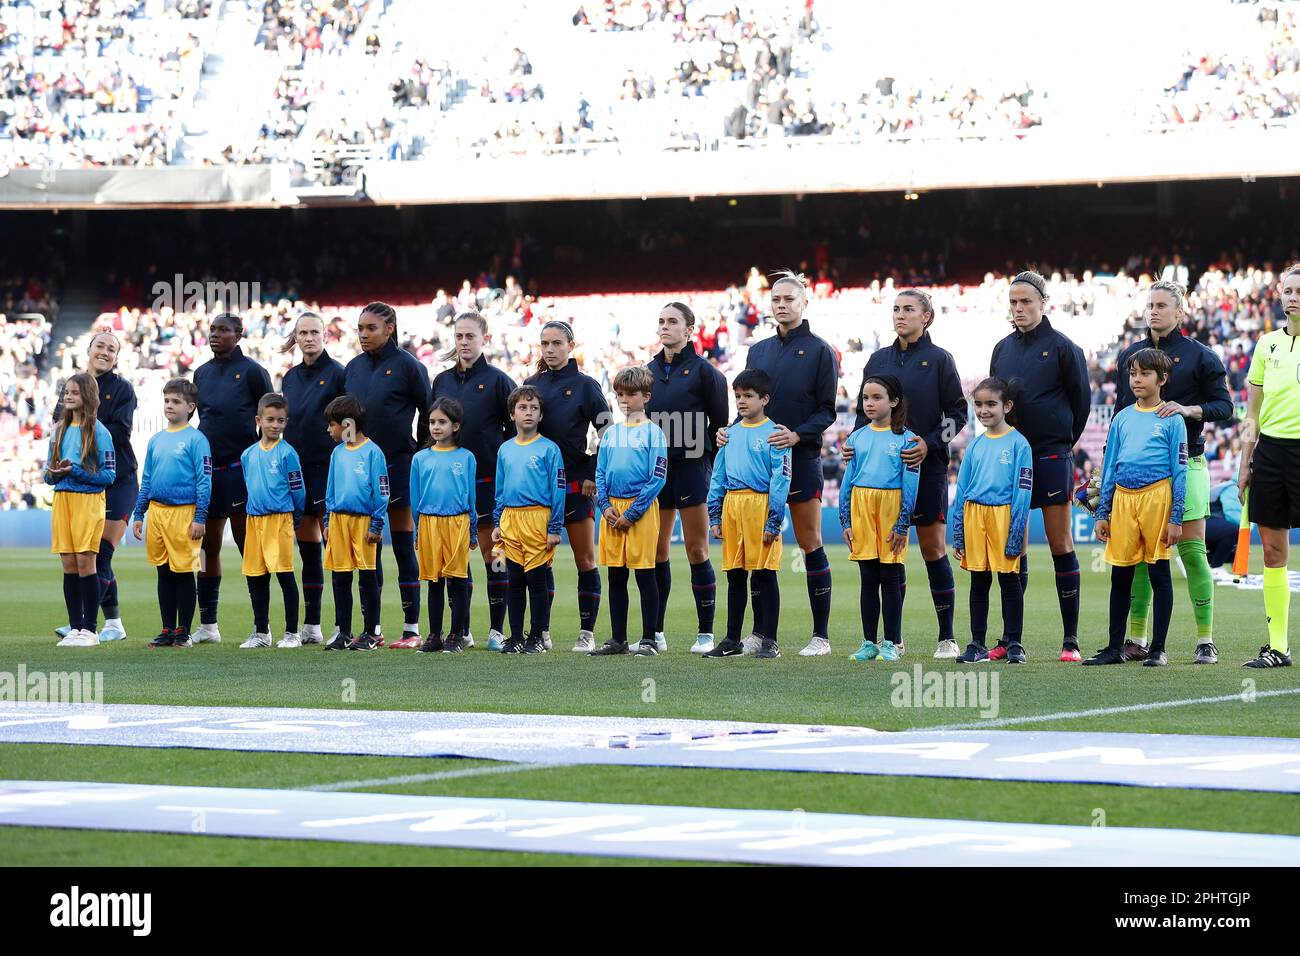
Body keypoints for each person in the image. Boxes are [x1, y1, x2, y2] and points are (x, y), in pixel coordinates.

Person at [716, 271, 838, 656]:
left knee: (808, 543)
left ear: (804, 303)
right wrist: (730, 430)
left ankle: (820, 635)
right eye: (776, 299)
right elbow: (748, 403)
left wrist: (797, 435)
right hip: (756, 464)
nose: (781, 305)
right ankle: (761, 634)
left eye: (788, 299)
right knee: (756, 549)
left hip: (799, 459)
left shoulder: (820, 350)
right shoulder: (759, 350)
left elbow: (827, 411)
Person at [1114, 281, 1232, 664]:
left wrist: (1187, 409)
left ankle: (1205, 639)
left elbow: (1224, 407)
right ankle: (1136, 638)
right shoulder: (1131, 355)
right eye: (1150, 304)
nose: (1154, 311)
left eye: (1163, 305)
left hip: (1189, 463)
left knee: (1193, 552)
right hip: (1139, 476)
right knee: (1144, 558)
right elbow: (1120, 413)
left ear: (1180, 313)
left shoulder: (1201, 356)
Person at [848, 290, 968, 659]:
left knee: (933, 550)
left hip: (926, 467)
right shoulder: (878, 359)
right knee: (887, 555)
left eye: (908, 310)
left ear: (926, 317)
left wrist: (929, 444)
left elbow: (958, 414)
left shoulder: (940, 360)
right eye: (896, 309)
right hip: (879, 477)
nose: (900, 315)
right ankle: (890, 640)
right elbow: (860, 410)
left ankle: (946, 637)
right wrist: (854, 442)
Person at [990, 270, 1090, 662]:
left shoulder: (1064, 348)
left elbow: (1080, 405)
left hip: (1050, 455)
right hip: (1011, 457)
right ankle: (1011, 639)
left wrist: (1060, 442)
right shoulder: (1001, 348)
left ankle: (1070, 641)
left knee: (1060, 544)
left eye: (1025, 301)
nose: (1018, 308)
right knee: (1011, 545)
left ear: (1043, 303)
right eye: (1013, 302)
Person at [1085, 349, 1187, 667]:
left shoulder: (1172, 419)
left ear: (1162, 379)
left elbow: (1180, 470)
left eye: (1144, 373)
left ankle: (1158, 649)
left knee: (1159, 574)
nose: (1137, 379)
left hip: (1157, 497)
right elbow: (1110, 464)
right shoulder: (1122, 418)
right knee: (1121, 576)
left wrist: (1176, 517)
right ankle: (1115, 647)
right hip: (1124, 501)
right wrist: (1104, 511)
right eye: (1133, 373)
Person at [343, 302, 432, 647]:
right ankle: (372, 630)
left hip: (397, 465)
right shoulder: (352, 368)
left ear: (390, 327)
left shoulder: (410, 367)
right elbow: (344, 416)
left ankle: (411, 629)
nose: (364, 334)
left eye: (371, 328)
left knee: (403, 547)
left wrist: (418, 452)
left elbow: (428, 410)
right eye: (360, 329)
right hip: (359, 470)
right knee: (370, 547)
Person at [645, 302, 729, 654]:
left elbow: (719, 425)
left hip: (693, 468)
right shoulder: (646, 371)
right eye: (661, 321)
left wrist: (704, 461)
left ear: (689, 330)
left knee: (697, 548)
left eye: (672, 321)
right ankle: (656, 634)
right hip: (656, 472)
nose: (665, 326)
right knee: (656, 550)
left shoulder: (705, 372)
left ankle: (705, 634)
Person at [431, 312, 517, 650]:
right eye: (459, 336)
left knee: (493, 555)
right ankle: (460, 631)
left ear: (485, 338)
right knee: (454, 559)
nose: (464, 342)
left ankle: (496, 630)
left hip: (486, 481)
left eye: (470, 336)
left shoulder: (498, 381)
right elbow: (433, 428)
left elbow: (514, 435)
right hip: (450, 486)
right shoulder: (440, 381)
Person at [525, 320, 610, 652]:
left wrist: (592, 470)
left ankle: (586, 632)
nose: (549, 349)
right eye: (544, 343)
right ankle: (541, 632)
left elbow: (607, 434)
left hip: (576, 482)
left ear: (571, 345)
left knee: (585, 559)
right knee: (538, 561)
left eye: (557, 343)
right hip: (538, 486)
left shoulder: (587, 386)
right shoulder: (531, 385)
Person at [193, 312, 273, 645]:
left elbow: (271, 414)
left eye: (222, 330)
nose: (215, 334)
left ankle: (262, 628)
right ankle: (209, 626)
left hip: (241, 471)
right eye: (212, 329)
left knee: (248, 547)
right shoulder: (202, 373)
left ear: (238, 334)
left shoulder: (253, 372)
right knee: (207, 546)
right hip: (210, 471)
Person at [54, 331, 138, 644]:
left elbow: (120, 431)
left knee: (99, 553)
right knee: (79, 556)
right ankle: (107, 622)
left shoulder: (122, 389)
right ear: (89, 350)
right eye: (100, 346)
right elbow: (58, 424)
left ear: (117, 357)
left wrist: (88, 418)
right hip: (78, 484)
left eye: (111, 348)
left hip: (118, 479)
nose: (104, 351)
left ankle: (88, 623)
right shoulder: (72, 385)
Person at [1236, 264, 1300, 668]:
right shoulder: (1266, 345)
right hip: (1272, 455)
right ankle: (1279, 647)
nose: (1293, 296)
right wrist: (1246, 461)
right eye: (1288, 290)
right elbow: (1251, 414)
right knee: (1274, 551)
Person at [704, 369, 791, 659]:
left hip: (761, 506)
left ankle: (770, 640)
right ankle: (731, 639)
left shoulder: (775, 434)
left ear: (764, 399)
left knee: (766, 575)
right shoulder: (729, 433)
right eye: (738, 396)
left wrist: (774, 518)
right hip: (733, 506)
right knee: (735, 575)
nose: (741, 401)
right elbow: (718, 476)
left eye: (748, 396)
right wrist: (715, 515)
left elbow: (781, 478)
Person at [950, 378, 1032, 663]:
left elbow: (1023, 491)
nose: (984, 410)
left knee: (1009, 581)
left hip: (1004, 515)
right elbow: (962, 490)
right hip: (975, 516)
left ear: (1007, 406)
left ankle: (1014, 643)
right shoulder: (974, 446)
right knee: (978, 581)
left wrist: (1016, 530)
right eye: (979, 404)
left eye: (991, 404)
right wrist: (958, 532)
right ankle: (976, 644)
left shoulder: (1019, 444)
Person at [839, 375, 920, 663]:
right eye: (865, 399)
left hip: (890, 507)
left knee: (890, 576)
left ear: (894, 401)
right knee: (867, 578)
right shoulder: (857, 436)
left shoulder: (907, 439)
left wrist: (902, 523)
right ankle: (869, 643)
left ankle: (891, 642)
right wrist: (845, 520)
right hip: (861, 506)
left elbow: (910, 484)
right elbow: (848, 480)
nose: (870, 404)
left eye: (877, 398)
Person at [591, 366, 669, 656]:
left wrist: (633, 513)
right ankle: (618, 639)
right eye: (620, 394)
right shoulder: (611, 434)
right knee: (616, 575)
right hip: (613, 511)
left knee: (645, 574)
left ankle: (649, 638)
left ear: (646, 396)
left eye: (631, 394)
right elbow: (600, 473)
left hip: (641, 509)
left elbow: (657, 477)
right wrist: (606, 507)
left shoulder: (654, 433)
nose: (624, 400)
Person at [280, 311, 347, 646]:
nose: (308, 338)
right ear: (295, 337)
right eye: (302, 333)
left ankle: (342, 624)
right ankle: (311, 624)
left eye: (314, 332)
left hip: (328, 469)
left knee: (333, 549)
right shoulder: (289, 378)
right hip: (298, 471)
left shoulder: (338, 374)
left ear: (325, 336)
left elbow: (348, 420)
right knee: (308, 553)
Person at [132, 378, 211, 649]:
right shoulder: (156, 440)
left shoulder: (196, 439)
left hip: (184, 514)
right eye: (166, 400)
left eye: (176, 401)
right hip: (157, 513)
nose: (169, 405)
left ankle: (183, 631)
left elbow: (204, 480)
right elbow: (148, 479)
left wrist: (200, 516)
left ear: (190, 407)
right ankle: (167, 628)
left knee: (184, 571)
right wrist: (139, 512)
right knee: (163, 571)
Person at [492, 385, 565, 654]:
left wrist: (554, 527)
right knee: (514, 580)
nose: (528, 412)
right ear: (512, 414)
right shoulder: (505, 450)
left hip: (537, 518)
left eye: (534, 408)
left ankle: (536, 636)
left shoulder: (549, 449)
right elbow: (500, 489)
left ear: (541, 415)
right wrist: (498, 522)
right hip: (511, 519)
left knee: (536, 580)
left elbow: (558, 489)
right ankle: (515, 637)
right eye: (522, 407)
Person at [47, 372, 117, 647]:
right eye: (66, 391)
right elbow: (47, 473)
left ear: (87, 396)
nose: (68, 396)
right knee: (68, 564)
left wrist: (74, 470)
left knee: (86, 561)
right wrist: (53, 474)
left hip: (88, 501)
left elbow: (109, 476)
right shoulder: (58, 430)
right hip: (62, 499)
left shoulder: (100, 432)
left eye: (74, 392)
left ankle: (90, 629)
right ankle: (75, 628)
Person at [238, 393, 306, 649]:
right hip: (254, 520)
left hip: (280, 520)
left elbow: (298, 490)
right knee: (256, 576)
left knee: (285, 575)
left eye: (280, 421)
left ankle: (291, 633)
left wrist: (294, 516)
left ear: (286, 422)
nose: (275, 425)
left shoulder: (288, 454)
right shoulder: (248, 455)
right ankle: (261, 631)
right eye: (270, 420)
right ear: (259, 420)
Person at [321, 395, 389, 651]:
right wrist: (328, 519)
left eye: (332, 424)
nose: (329, 429)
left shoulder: (373, 452)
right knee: (340, 578)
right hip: (339, 521)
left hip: (363, 523)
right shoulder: (337, 453)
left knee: (368, 578)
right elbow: (331, 488)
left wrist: (377, 524)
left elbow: (382, 491)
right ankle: (344, 632)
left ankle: (371, 632)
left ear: (347, 424)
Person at [410, 398, 478, 653]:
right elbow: (415, 497)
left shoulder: (466, 457)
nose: (436, 427)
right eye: (432, 422)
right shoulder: (420, 458)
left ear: (456, 426)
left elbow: (470, 495)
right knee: (434, 581)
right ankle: (434, 635)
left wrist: (472, 529)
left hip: (457, 522)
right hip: (429, 523)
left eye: (442, 422)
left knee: (458, 581)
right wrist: (418, 529)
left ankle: (455, 635)